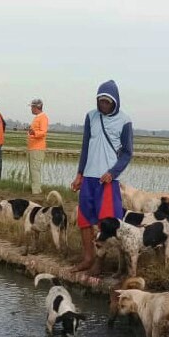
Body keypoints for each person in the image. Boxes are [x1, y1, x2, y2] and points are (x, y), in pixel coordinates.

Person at [71, 80, 133, 274]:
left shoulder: (124, 120)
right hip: (88, 176)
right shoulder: (91, 117)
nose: (104, 106)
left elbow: (127, 153)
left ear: (115, 102)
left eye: (107, 102)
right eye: (101, 102)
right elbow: (85, 146)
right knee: (84, 220)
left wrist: (112, 173)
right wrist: (80, 174)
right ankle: (88, 258)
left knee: (104, 222)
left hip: (106, 179)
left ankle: (100, 263)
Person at [27, 98, 49, 195]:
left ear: (37, 107)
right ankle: (35, 189)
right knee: (33, 169)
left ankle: (36, 191)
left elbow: (43, 132)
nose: (31, 109)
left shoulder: (43, 117)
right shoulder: (37, 117)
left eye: (32, 107)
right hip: (32, 147)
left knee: (35, 169)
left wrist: (34, 132)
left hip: (37, 147)